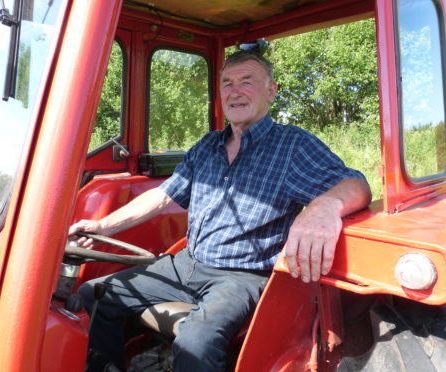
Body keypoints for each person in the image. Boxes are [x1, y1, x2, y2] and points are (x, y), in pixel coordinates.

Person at [69, 50, 372, 372]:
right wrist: (103, 226)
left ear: (271, 90)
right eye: (227, 83)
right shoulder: (208, 145)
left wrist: (324, 206)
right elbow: (162, 196)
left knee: (195, 343)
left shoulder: (292, 146)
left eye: (246, 81)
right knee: (95, 294)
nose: (235, 91)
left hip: (241, 275)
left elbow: (355, 184)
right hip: (186, 262)